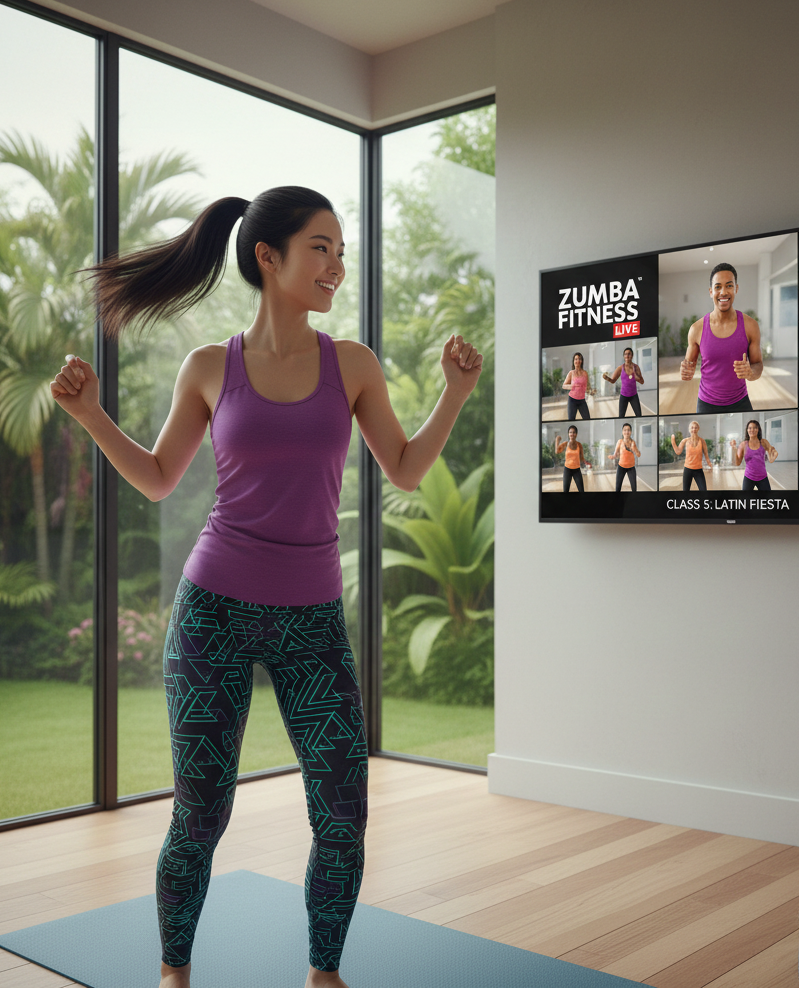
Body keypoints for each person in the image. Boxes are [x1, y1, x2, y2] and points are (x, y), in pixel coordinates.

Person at [49, 188, 482, 988]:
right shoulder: (211, 367)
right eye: (321, 248)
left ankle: (325, 973)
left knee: (342, 813)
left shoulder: (350, 364)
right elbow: (155, 476)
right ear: (268, 257)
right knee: (202, 811)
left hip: (312, 620)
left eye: (341, 251)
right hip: (213, 610)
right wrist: (88, 415)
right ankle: (173, 972)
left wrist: (455, 394)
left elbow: (407, 469)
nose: (336, 266)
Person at [680, 263, 763, 413]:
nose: (723, 292)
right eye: (718, 287)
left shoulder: (750, 326)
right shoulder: (696, 329)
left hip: (740, 401)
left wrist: (750, 372)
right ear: (711, 292)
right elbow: (688, 366)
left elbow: (758, 364)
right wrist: (686, 372)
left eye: (729, 286)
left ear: (736, 288)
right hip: (706, 403)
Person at [730, 419, 778, 492]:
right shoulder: (743, 445)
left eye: (755, 427)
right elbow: (737, 463)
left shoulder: (763, 442)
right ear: (747, 430)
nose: (752, 430)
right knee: (745, 501)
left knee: (768, 500)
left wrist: (774, 454)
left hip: (763, 477)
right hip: (749, 477)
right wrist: (734, 449)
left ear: (758, 429)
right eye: (750, 428)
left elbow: (771, 459)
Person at [602, 346, 645, 417]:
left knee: (639, 415)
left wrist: (636, 376)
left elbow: (642, 382)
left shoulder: (636, 367)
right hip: (623, 396)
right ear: (623, 356)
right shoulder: (620, 368)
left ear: (632, 355)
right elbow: (613, 381)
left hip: (634, 395)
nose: (627, 356)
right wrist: (607, 378)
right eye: (625, 354)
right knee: (621, 416)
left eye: (629, 354)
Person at [671, 420, 712, 491]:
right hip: (688, 469)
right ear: (689, 429)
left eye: (696, 427)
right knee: (686, 492)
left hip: (698, 470)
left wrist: (710, 465)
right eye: (692, 428)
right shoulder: (685, 441)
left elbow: (706, 455)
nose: (694, 429)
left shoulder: (702, 441)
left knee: (704, 491)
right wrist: (673, 441)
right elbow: (678, 452)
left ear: (698, 428)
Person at [554, 425, 590, 491]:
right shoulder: (566, 444)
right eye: (570, 432)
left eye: (574, 432)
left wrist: (587, 464)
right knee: (566, 491)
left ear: (576, 434)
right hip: (567, 470)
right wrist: (557, 441)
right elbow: (557, 451)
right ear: (568, 434)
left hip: (577, 470)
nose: (572, 434)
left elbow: (582, 458)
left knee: (581, 490)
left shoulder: (579, 445)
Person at [608, 422, 641, 490]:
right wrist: (613, 456)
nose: (626, 432)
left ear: (631, 432)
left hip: (631, 468)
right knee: (617, 488)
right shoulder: (620, 442)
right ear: (622, 432)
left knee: (634, 489)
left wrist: (635, 449)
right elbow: (616, 454)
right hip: (621, 467)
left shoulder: (633, 443)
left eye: (628, 430)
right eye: (625, 430)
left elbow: (638, 455)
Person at [561, 351, 594, 420]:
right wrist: (571, 386)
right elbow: (564, 386)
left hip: (582, 400)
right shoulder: (571, 373)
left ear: (581, 361)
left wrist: (591, 392)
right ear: (573, 361)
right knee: (571, 420)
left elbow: (587, 387)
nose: (577, 361)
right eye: (576, 359)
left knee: (587, 419)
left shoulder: (585, 373)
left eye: (579, 359)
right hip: (572, 400)